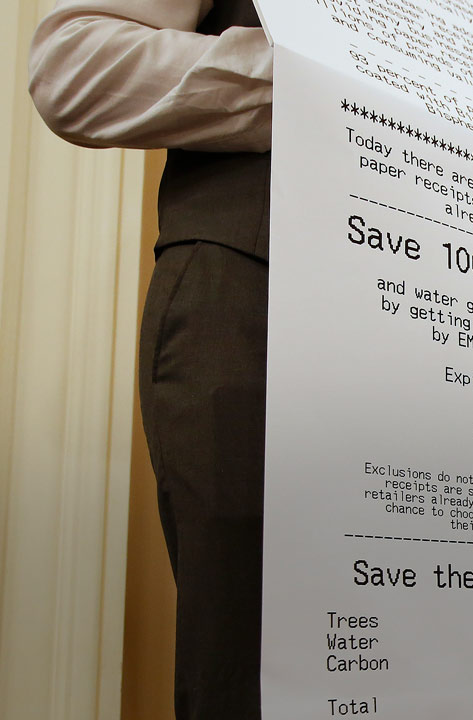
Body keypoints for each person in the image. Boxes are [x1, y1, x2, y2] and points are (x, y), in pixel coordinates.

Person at [29, 1, 272, 717]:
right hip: (259, 302)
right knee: (254, 676)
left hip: (445, 322)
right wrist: (321, 82)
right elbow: (77, 66)